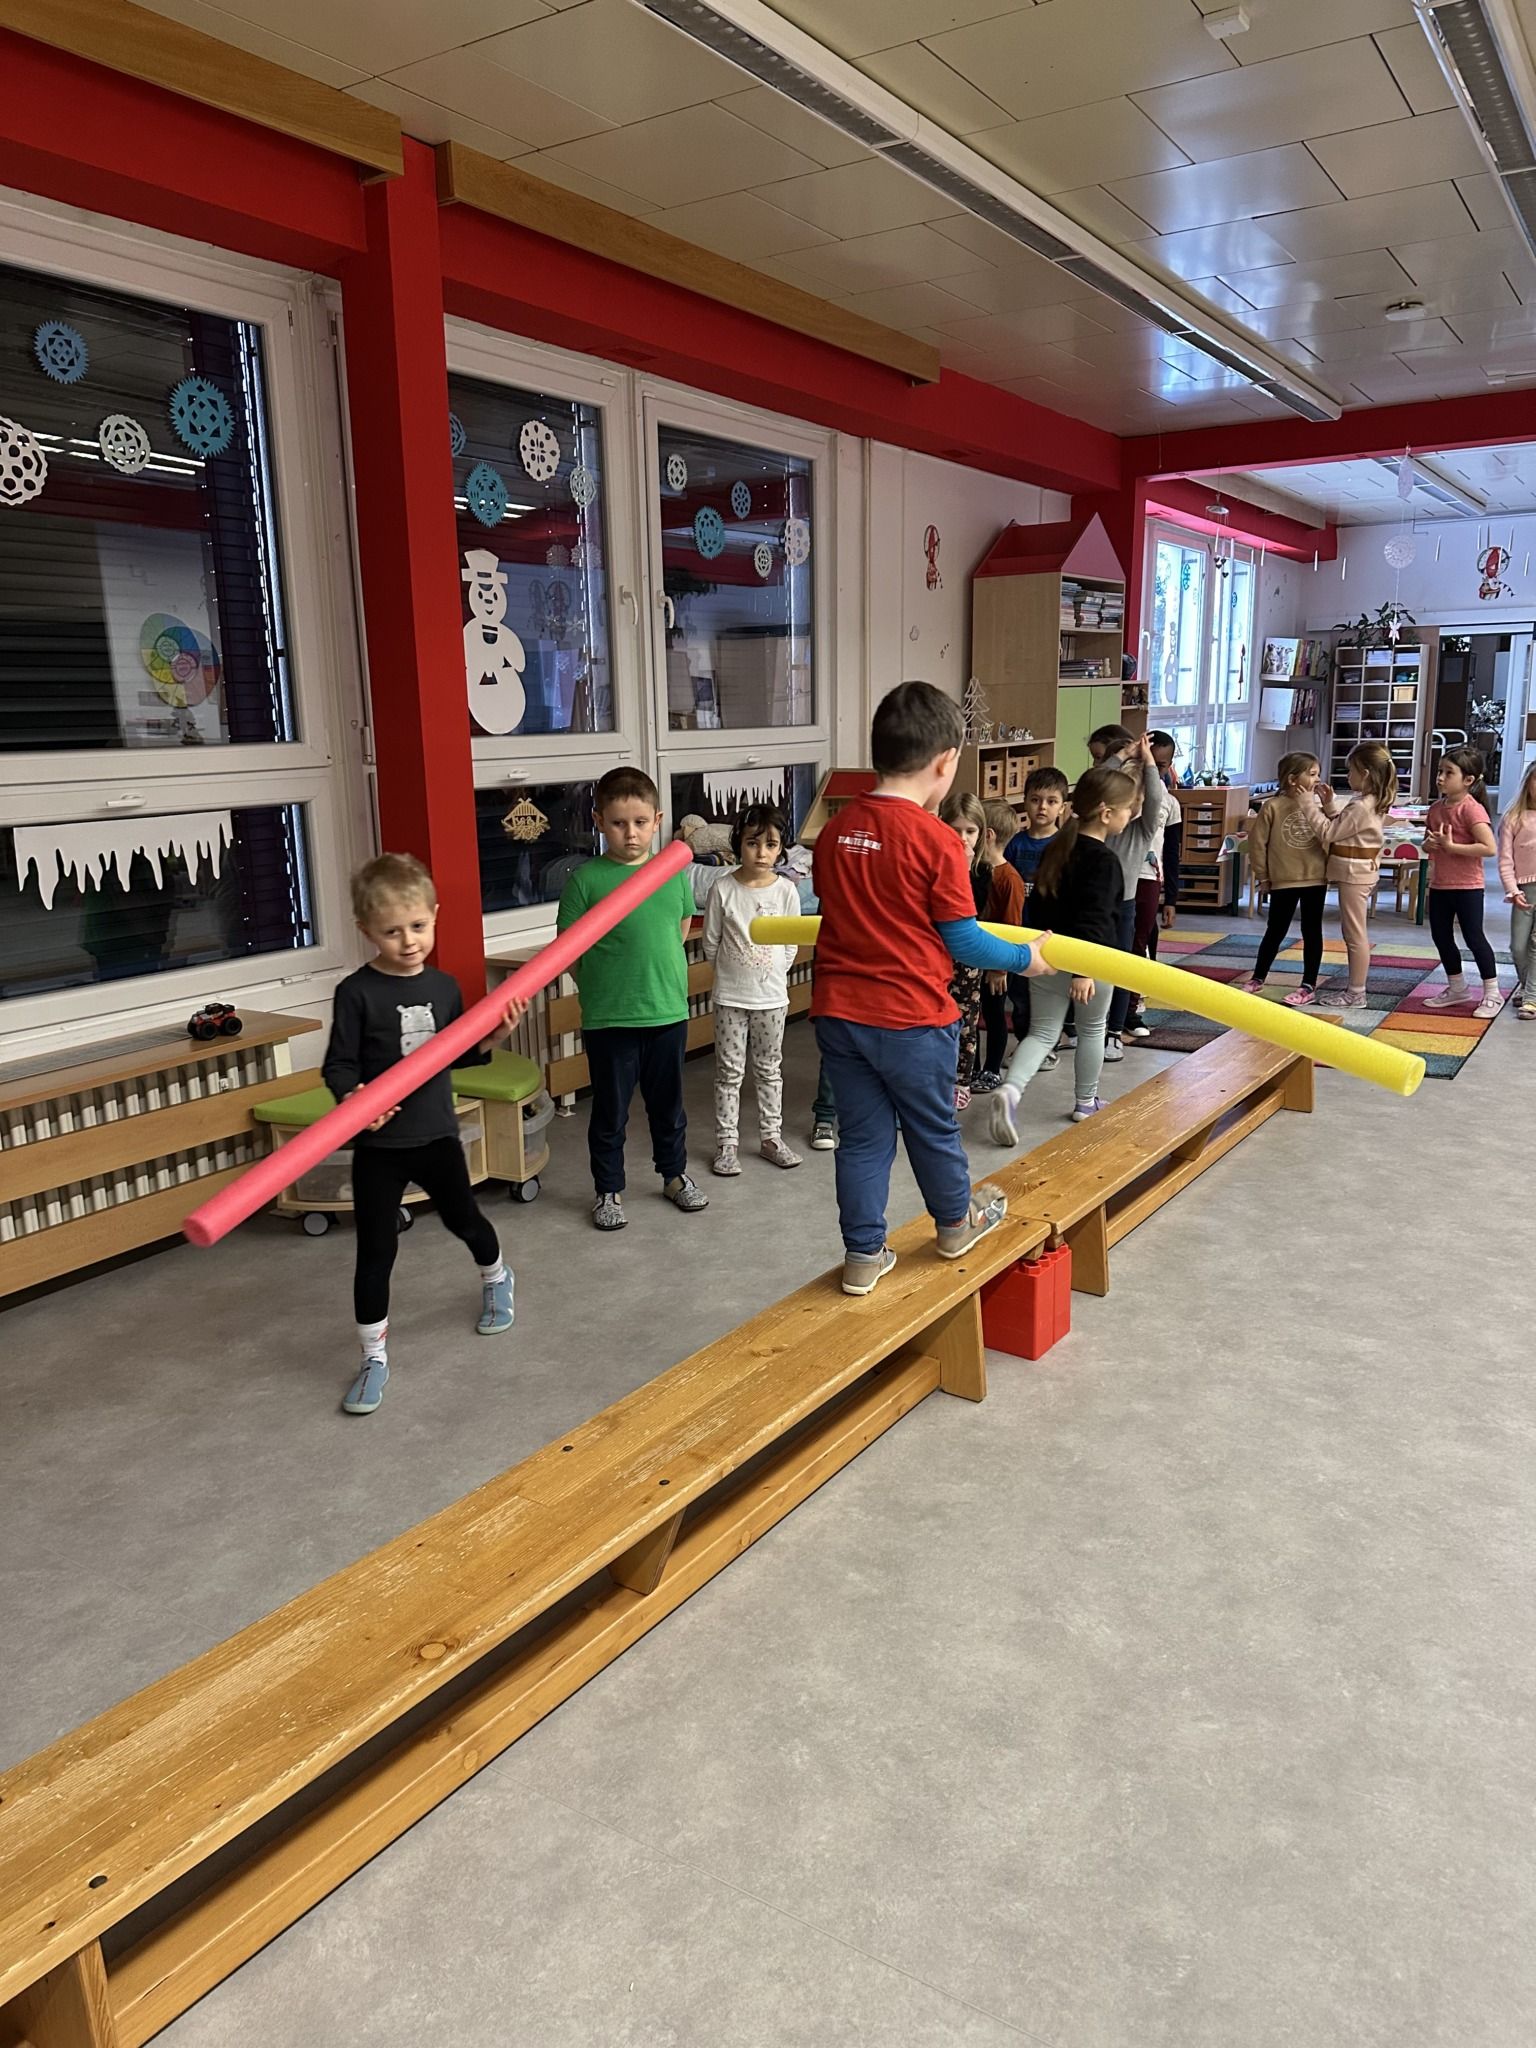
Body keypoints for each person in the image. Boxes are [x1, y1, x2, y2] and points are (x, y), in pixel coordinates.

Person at [811, 681, 1051, 1297]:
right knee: (932, 1128)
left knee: (862, 1139)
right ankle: (954, 1225)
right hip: (912, 1019)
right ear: (946, 762)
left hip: (839, 1013)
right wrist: (1026, 957)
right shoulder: (937, 839)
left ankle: (863, 1256)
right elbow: (964, 941)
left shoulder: (837, 830)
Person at [322, 853, 526, 1418]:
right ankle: (373, 1358)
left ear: (434, 916)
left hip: (436, 1135)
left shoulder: (443, 986)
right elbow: (338, 1065)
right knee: (375, 1251)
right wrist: (354, 1099)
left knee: (465, 1220)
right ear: (367, 930)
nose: (408, 941)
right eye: (392, 931)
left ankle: (497, 1276)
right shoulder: (355, 992)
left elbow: (456, 1056)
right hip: (379, 1147)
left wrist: (493, 1038)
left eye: (417, 926)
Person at [557, 766, 709, 1231]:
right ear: (599, 821)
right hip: (610, 1019)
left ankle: (674, 1175)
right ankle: (608, 1189)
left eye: (641, 822)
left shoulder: (671, 873)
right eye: (619, 823)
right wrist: (604, 988)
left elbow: (680, 927)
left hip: (667, 1013)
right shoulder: (585, 880)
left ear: (657, 820)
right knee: (610, 1112)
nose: (631, 833)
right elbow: (569, 952)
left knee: (669, 1107)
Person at [989, 764, 1135, 1140]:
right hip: (1092, 960)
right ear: (1106, 813)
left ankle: (1011, 1090)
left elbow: (1039, 905)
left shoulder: (1056, 848)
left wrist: (1037, 951)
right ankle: (1086, 1102)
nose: (1130, 814)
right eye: (1127, 808)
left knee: (1042, 1032)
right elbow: (1096, 918)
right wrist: (1084, 971)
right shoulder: (1103, 860)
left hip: (1049, 954)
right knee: (1092, 1029)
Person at [702, 802, 803, 1175]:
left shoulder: (786, 892)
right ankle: (726, 1144)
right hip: (730, 998)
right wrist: (732, 976)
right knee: (729, 1072)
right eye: (752, 843)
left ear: (780, 849)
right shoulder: (723, 889)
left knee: (769, 1069)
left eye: (771, 845)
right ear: (738, 846)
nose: (761, 853)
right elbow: (711, 943)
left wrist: (771, 974)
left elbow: (790, 944)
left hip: (772, 999)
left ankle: (771, 1138)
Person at [1240, 752, 1328, 1006]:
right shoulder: (1273, 807)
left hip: (1315, 879)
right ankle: (1258, 977)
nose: (1317, 779)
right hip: (1284, 880)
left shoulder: (1318, 806)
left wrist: (1328, 807)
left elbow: (1331, 834)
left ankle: (1308, 984)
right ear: (1292, 779)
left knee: (1312, 931)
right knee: (1275, 930)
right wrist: (1263, 876)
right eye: (1312, 774)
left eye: (1317, 774)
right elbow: (1258, 844)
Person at [1313, 741, 1395, 1009]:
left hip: (1355, 875)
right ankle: (1355, 991)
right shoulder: (1368, 802)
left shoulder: (1361, 806)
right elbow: (1345, 827)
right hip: (1359, 873)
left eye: (1351, 771)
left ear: (1366, 773)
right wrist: (1329, 806)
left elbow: (1329, 833)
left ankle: (1356, 993)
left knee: (1355, 936)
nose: (1348, 776)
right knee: (1354, 933)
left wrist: (1307, 807)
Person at [1423, 745, 1501, 1017]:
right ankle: (1457, 988)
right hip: (1440, 884)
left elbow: (1489, 848)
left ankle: (1492, 993)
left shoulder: (1472, 810)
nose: (1440, 777)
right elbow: (1429, 843)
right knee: (1441, 936)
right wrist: (1429, 845)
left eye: (1448, 773)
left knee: (1474, 937)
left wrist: (1452, 847)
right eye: (1440, 771)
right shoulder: (1436, 808)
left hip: (1468, 886)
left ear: (1468, 780)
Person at [1103, 732, 1167, 1062]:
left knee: (1120, 970)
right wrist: (1122, 755)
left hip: (1124, 907)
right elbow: (1096, 783)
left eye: (1135, 799)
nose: (1128, 807)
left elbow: (1156, 797)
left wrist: (1149, 762)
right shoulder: (1100, 826)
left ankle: (1114, 1031)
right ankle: (1078, 1026)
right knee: (1085, 967)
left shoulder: (1142, 830)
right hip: (1094, 907)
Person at [1005, 766, 1068, 1061]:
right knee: (1020, 995)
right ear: (1025, 802)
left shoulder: (1064, 845)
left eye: (1051, 801)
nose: (1042, 807)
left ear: (1062, 807)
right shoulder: (1015, 844)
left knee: (1049, 993)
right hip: (1020, 933)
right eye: (1035, 800)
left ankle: (1048, 1045)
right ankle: (1024, 1042)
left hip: (1052, 934)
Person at [938, 789, 990, 1109]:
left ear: (981, 834)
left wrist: (963, 867)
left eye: (970, 831)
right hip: (936, 955)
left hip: (968, 959)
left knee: (966, 1020)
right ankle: (934, 1079)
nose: (962, 838)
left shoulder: (982, 872)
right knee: (934, 1018)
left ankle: (961, 1080)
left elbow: (972, 909)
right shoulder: (933, 866)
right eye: (954, 829)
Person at [974, 797, 1028, 1092]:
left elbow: (1012, 929)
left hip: (996, 962)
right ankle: (970, 1068)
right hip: (973, 958)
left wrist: (1000, 969)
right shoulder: (976, 871)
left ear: (988, 835)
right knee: (971, 1015)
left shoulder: (1009, 879)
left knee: (994, 1015)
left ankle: (991, 1069)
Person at [1498, 758, 1536, 1021]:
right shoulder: (1513, 818)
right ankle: (1528, 986)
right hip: (1523, 890)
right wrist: (1512, 890)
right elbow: (1505, 860)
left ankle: (1531, 997)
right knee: (1518, 946)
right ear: (1527, 783)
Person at [1149, 731, 1182, 935]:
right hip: (1123, 881)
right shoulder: (1126, 796)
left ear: (1169, 765)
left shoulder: (1171, 804)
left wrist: (1170, 900)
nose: (1152, 771)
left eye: (1160, 766)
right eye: (1149, 763)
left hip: (1151, 879)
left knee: (1148, 933)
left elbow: (1171, 854)